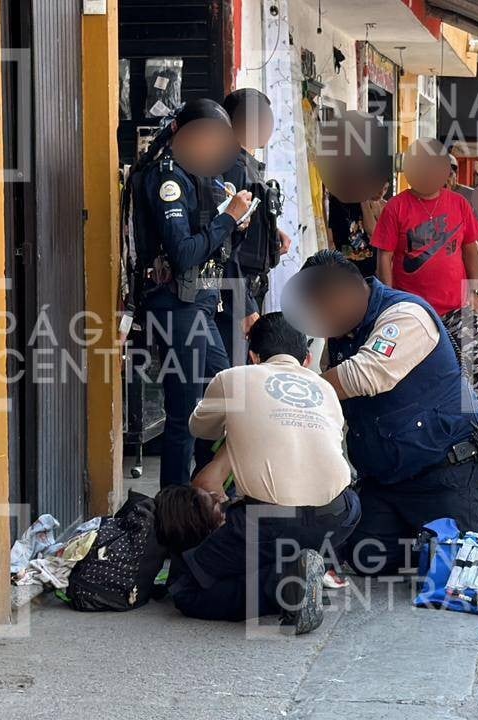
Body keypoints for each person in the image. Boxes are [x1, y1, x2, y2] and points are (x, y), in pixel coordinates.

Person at [291, 250, 478, 576]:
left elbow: (365, 374)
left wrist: (287, 396)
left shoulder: (405, 315)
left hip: (444, 472)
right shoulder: (342, 331)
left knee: (467, 570)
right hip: (386, 481)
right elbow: (333, 404)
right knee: (364, 559)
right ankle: (426, 545)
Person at [167, 313, 361, 634]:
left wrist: (239, 422)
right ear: (307, 358)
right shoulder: (325, 389)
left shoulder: (233, 379)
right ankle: (307, 565)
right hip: (340, 514)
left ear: (253, 356)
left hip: (269, 520)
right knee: (287, 532)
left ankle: (286, 584)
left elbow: (199, 428)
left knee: (186, 587)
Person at [134, 99, 253, 488]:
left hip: (200, 303)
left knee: (222, 400)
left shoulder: (203, 177)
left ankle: (209, 493)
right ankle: (173, 510)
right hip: (176, 305)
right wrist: (227, 218)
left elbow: (213, 250)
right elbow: (184, 254)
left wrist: (236, 226)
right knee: (185, 414)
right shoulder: (167, 178)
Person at [372, 140, 478, 406]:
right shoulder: (396, 207)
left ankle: (474, 431)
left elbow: (472, 251)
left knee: (469, 374)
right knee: (414, 375)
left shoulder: (459, 204)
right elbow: (384, 258)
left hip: (459, 309)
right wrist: (391, 302)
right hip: (414, 312)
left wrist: (475, 291)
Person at [218, 89, 292, 364]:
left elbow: (247, 222)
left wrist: (272, 232)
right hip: (234, 292)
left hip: (247, 288)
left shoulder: (246, 165)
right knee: (234, 376)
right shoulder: (233, 167)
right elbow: (226, 242)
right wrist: (243, 306)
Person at [326, 183, 387, 279]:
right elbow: (331, 236)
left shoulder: (379, 205)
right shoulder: (337, 200)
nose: (381, 193)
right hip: (346, 270)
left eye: (385, 189)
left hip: (370, 271)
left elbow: (373, 231)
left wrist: (365, 201)